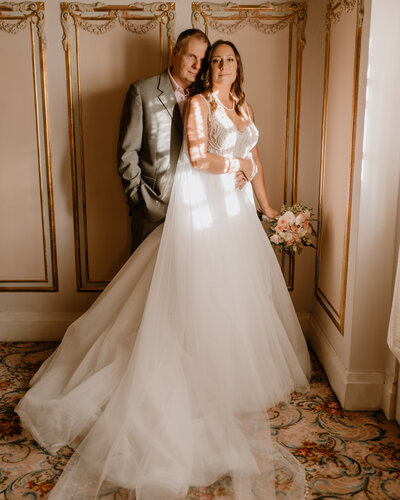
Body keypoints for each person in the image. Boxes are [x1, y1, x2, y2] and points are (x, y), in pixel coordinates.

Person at [15, 40, 311, 499]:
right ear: (200, 66)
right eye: (214, 60)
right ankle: (190, 372)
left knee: (233, 296)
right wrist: (237, 165)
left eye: (228, 59)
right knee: (194, 294)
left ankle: (231, 369)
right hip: (203, 208)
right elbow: (198, 158)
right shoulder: (199, 103)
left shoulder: (242, 105)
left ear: (239, 66)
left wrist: (269, 208)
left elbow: (256, 162)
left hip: (235, 215)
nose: (220, 66)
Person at [117, 29, 209, 252]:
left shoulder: (207, 96)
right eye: (191, 56)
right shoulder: (142, 92)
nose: (197, 65)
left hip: (198, 207)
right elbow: (127, 153)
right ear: (175, 53)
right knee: (145, 281)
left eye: (203, 59)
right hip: (153, 207)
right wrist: (140, 200)